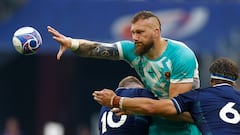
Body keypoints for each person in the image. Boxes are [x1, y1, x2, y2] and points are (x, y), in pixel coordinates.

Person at [47, 10, 201, 135]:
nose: (135, 37)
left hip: (185, 129)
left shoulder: (180, 56)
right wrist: (72, 44)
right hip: (156, 126)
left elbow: (173, 109)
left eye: (140, 32)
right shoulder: (133, 50)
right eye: (133, 32)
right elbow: (95, 48)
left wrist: (119, 102)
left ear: (156, 32)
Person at [93, 57, 240, 135]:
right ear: (234, 82)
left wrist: (116, 101)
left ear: (212, 80)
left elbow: (155, 107)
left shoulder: (198, 97)